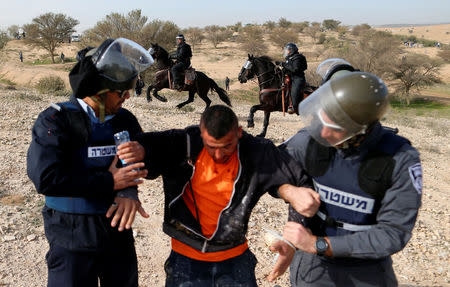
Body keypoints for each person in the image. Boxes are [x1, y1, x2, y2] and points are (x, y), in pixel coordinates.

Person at [117, 104, 320, 286]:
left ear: (239, 133)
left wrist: (292, 239)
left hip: (235, 259)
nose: (218, 155)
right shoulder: (183, 143)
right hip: (185, 259)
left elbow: (297, 180)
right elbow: (140, 146)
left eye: (227, 146)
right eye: (211, 146)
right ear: (201, 133)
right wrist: (128, 187)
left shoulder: (257, 151)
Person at [268, 61, 423, 286]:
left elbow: (392, 234)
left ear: (361, 129)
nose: (322, 131)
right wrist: (288, 191)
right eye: (322, 119)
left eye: (334, 128)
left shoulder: (399, 158)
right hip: (313, 268)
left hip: (366, 270)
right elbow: (269, 167)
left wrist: (318, 244)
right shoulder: (312, 141)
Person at [27, 38, 155, 287]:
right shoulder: (55, 120)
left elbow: (134, 160)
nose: (127, 97)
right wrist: (109, 182)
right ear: (100, 92)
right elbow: (46, 177)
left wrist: (128, 191)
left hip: (117, 229)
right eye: (121, 92)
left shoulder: (124, 119)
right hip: (71, 230)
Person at [275, 43, 307, 114]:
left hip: (297, 78)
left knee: (294, 92)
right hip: (290, 77)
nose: (286, 51)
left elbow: (294, 69)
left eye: (288, 50)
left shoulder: (297, 58)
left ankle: (293, 107)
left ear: (292, 50)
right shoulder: (289, 58)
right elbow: (287, 67)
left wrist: (282, 64)